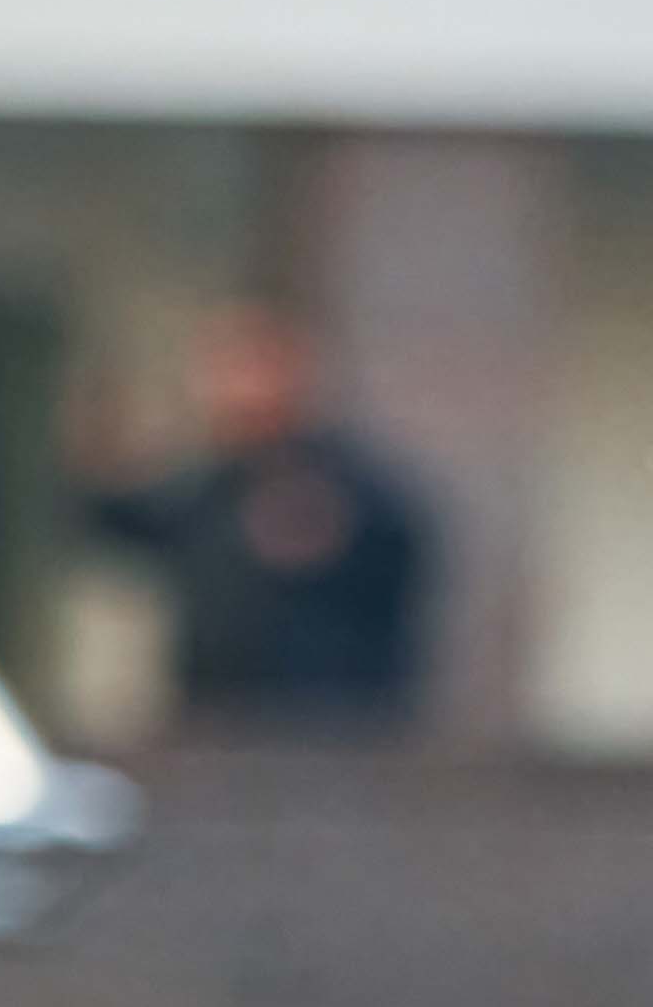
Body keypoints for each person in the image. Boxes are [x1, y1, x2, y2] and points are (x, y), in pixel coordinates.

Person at [77, 301, 428, 733]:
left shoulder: (355, 490)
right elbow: (129, 525)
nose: (228, 389)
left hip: (327, 740)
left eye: (251, 370)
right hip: (212, 725)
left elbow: (396, 567)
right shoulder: (213, 486)